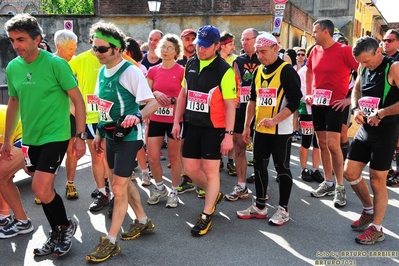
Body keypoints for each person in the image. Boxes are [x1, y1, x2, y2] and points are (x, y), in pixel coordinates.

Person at [3, 13, 86, 257]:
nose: (16, 45)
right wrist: (7, 142)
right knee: (43, 189)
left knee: (40, 187)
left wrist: (79, 136)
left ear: (37, 39)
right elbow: (14, 102)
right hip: (30, 137)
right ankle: (60, 228)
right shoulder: (12, 67)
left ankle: (64, 228)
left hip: (56, 134)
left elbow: (78, 101)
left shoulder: (56, 64)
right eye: (12, 40)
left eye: (21, 39)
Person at [85, 22, 158, 262]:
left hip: (128, 137)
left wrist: (136, 116)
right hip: (109, 136)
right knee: (122, 184)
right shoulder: (101, 72)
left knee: (117, 188)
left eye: (102, 49)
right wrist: (97, 134)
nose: (97, 53)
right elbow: (103, 108)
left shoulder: (130, 71)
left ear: (117, 48)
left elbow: (152, 103)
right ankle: (143, 221)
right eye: (94, 48)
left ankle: (111, 241)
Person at [171, 25, 236, 236]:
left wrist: (228, 135)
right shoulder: (190, 63)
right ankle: (212, 192)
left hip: (214, 128)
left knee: (210, 170)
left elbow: (230, 105)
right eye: (199, 45)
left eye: (206, 46)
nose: (201, 49)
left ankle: (206, 215)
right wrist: (176, 121)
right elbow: (183, 94)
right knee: (189, 169)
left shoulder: (224, 70)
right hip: (192, 124)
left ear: (217, 46)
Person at [236, 32, 301, 226]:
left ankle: (283, 209)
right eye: (257, 52)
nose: (260, 56)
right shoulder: (258, 71)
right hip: (261, 130)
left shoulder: (287, 71)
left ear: (275, 49)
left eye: (263, 52)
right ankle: (260, 205)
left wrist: (275, 120)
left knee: (282, 168)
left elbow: (295, 102)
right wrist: (247, 125)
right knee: (259, 166)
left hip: (281, 131)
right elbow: (253, 100)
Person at [344, 36, 399, 244]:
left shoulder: (393, 68)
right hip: (366, 128)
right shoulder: (362, 67)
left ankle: (377, 227)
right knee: (349, 172)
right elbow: (356, 90)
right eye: (361, 62)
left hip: (386, 130)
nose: (364, 65)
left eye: (367, 61)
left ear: (378, 52)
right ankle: (368, 209)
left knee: (377, 179)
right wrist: (356, 108)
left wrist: (382, 113)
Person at [305, 19, 358, 208]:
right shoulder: (315, 51)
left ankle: (340, 187)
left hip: (336, 104)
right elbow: (310, 71)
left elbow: (362, 72)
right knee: (322, 144)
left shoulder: (345, 51)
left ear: (326, 32)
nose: (312, 34)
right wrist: (310, 92)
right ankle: (328, 182)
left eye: (315, 31)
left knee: (335, 145)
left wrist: (349, 98)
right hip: (318, 103)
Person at [68, 35, 112, 214]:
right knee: (97, 156)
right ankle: (103, 192)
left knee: (111, 158)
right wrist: (76, 111)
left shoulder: (116, 58)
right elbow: (62, 85)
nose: (99, 48)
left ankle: (113, 192)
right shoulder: (79, 60)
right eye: (96, 42)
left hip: (112, 116)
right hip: (91, 117)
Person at [146, 34, 184, 208]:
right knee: (152, 157)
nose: (165, 50)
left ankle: (174, 191)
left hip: (176, 119)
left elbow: (186, 95)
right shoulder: (153, 70)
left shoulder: (182, 71)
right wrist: (156, 94)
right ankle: (160, 187)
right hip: (155, 118)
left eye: (169, 48)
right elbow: (145, 93)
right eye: (163, 47)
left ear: (177, 51)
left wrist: (173, 99)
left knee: (174, 158)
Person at [225, 28, 260, 201]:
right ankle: (241, 185)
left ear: (257, 39)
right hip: (241, 109)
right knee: (239, 146)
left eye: (248, 39)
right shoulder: (237, 61)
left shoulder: (265, 59)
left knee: (261, 151)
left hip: (261, 110)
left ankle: (262, 186)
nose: (244, 42)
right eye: (242, 39)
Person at [53, 29, 82, 203]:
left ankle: (70, 183)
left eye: (74, 48)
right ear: (59, 47)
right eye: (70, 49)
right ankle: (44, 187)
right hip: (52, 117)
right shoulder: (48, 63)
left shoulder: (71, 65)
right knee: (50, 153)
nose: (74, 52)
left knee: (71, 150)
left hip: (69, 116)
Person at [0, 105, 34, 238]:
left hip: (27, 133)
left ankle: (23, 222)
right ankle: (4, 215)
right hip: (15, 136)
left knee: (2, 175)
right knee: (3, 176)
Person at [297, 44, 323, 183]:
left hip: (321, 110)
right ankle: (303, 168)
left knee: (318, 142)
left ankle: (315, 169)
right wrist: (309, 98)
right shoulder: (302, 71)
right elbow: (300, 90)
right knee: (306, 141)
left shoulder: (324, 69)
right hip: (306, 109)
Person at [381, 29, 399, 186]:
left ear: (398, 42)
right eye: (384, 40)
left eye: (390, 40)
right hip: (383, 110)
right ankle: (387, 171)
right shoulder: (382, 59)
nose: (386, 43)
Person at [219, 30, 237, 176]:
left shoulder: (235, 60)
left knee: (230, 132)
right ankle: (218, 159)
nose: (233, 47)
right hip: (217, 105)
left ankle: (230, 161)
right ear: (222, 46)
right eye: (230, 44)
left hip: (231, 102)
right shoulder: (214, 60)